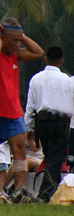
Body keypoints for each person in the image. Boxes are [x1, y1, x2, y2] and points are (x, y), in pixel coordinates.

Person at [0, 18, 44, 203]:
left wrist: (20, 36)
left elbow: (38, 52)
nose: (18, 44)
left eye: (19, 41)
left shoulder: (14, 54)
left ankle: (19, 190)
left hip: (12, 112)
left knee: (20, 149)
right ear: (2, 37)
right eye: (14, 40)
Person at [25, 45, 74, 202]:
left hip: (41, 123)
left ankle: (47, 193)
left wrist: (29, 127)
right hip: (60, 123)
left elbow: (30, 106)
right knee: (55, 159)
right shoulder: (67, 81)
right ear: (61, 61)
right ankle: (45, 194)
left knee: (50, 156)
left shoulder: (36, 79)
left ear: (46, 59)